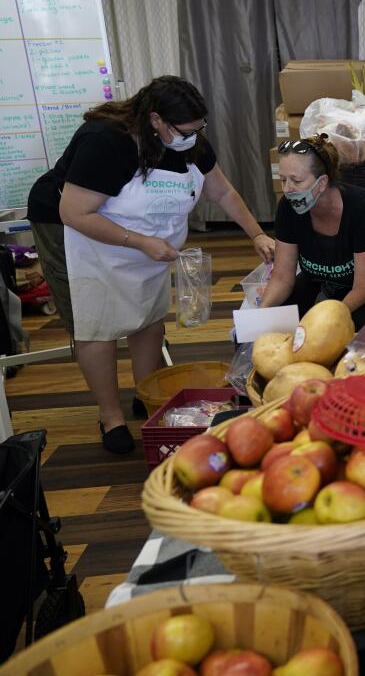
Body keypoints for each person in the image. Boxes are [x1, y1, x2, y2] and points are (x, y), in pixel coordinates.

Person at [27, 76, 274, 454]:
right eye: (186, 130)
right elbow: (74, 212)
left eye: (199, 129)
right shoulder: (106, 142)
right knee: (97, 321)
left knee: (148, 312)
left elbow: (221, 190)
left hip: (146, 241)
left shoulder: (186, 141)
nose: (194, 137)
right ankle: (110, 416)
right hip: (75, 232)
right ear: (156, 119)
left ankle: (148, 393)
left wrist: (256, 234)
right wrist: (141, 242)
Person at [260, 135, 365, 329]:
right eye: (283, 180)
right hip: (323, 279)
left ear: (323, 182)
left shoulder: (362, 208)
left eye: (296, 181)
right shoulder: (287, 208)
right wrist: (262, 313)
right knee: (280, 320)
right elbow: (282, 278)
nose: (287, 189)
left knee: (347, 328)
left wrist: (327, 319)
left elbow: (363, 289)